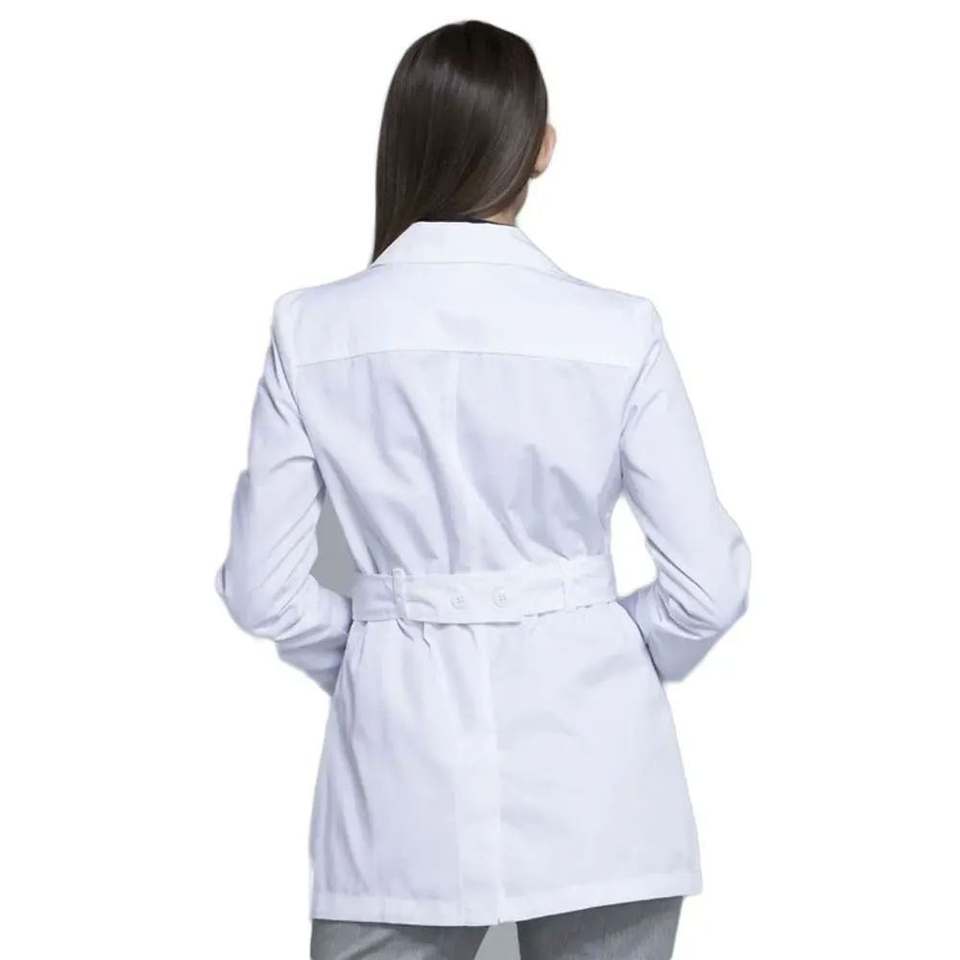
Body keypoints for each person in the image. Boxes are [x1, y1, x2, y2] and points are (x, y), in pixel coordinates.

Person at [215, 19, 750, 960]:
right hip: (605, 784)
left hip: (396, 779)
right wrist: (606, 639)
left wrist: (374, 642)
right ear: (541, 148)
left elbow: (261, 588)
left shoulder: (312, 330)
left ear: (404, 142)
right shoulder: (619, 330)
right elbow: (709, 587)